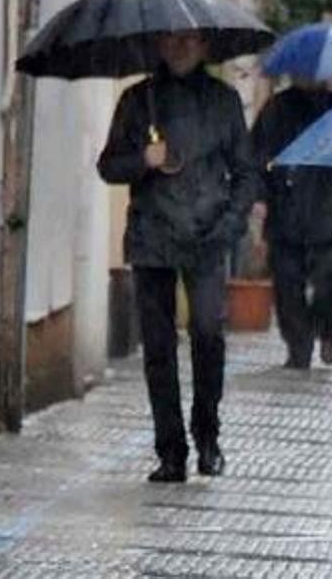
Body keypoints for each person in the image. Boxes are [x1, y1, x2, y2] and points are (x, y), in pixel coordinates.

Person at [97, 31, 257, 483]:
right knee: (160, 348)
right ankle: (170, 451)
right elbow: (108, 164)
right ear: (160, 45)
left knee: (208, 333)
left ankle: (208, 435)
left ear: (205, 47)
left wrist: (228, 224)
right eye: (172, 39)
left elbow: (246, 173)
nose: (181, 47)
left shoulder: (224, 102)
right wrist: (142, 160)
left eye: (190, 40)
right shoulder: (137, 99)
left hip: (207, 237)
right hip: (152, 238)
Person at [251, 78, 332, 369]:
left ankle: (328, 330)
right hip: (284, 209)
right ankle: (298, 345)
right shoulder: (276, 109)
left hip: (326, 212)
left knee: (329, 280)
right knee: (287, 284)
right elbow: (255, 156)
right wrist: (259, 194)